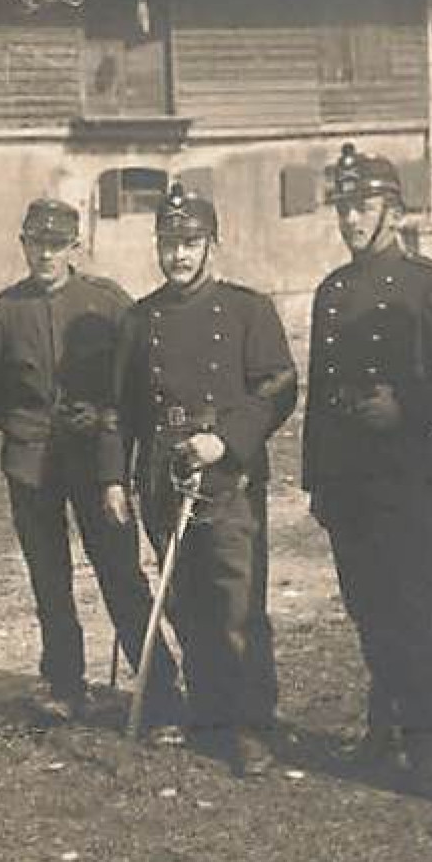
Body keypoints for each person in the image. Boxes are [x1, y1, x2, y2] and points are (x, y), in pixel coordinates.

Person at [0, 198, 185, 729]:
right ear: (22, 245)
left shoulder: (106, 303)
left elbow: (137, 376)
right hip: (30, 460)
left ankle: (158, 690)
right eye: (35, 243)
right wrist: (23, 423)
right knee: (49, 578)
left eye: (56, 244)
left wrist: (105, 419)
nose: (45, 254)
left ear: (75, 247)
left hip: (96, 461)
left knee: (119, 572)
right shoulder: (3, 311)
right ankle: (64, 684)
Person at [108, 184, 297, 774]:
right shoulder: (140, 319)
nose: (178, 256)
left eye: (189, 243)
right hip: (164, 475)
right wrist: (115, 478)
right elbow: (121, 409)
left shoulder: (248, 310)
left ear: (213, 243)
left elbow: (279, 387)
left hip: (228, 475)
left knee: (236, 602)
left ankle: (250, 724)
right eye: (168, 244)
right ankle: (210, 711)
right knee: (185, 601)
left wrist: (227, 440)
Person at [303, 145, 432, 787]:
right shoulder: (332, 291)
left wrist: (408, 407)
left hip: (405, 471)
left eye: (363, 205)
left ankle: (429, 746)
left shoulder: (430, 285)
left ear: (393, 211)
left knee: (413, 608)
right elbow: (318, 389)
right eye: (344, 206)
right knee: (367, 605)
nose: (351, 219)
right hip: (348, 475)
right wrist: (315, 480)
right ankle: (384, 726)